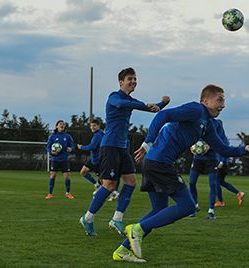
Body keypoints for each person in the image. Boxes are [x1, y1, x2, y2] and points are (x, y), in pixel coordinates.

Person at [112, 84, 249, 263]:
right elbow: (163, 114)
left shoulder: (207, 125)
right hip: (159, 163)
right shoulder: (196, 109)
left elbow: (223, 148)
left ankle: (123, 250)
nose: (223, 105)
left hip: (154, 163)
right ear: (205, 101)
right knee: (188, 206)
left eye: (224, 101)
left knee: (159, 209)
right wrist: (147, 142)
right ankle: (137, 229)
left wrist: (245, 149)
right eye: (219, 100)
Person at [79, 67, 170, 236]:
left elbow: (151, 108)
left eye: (135, 79)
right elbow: (123, 104)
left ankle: (117, 219)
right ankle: (88, 218)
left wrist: (164, 103)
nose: (133, 81)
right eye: (130, 79)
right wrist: (143, 105)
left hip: (122, 148)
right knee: (109, 186)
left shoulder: (131, 100)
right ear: (121, 82)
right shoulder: (114, 97)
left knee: (131, 182)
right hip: (110, 146)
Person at [188, 119, 226, 219]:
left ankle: (211, 211)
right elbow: (191, 136)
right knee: (191, 182)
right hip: (197, 159)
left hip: (212, 159)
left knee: (212, 184)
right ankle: (194, 206)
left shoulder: (217, 124)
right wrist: (191, 146)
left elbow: (223, 142)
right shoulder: (198, 122)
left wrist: (220, 159)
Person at [214, 120, 245, 207]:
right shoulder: (220, 137)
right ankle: (238, 193)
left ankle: (220, 202)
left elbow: (225, 151)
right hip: (222, 163)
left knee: (216, 182)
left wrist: (221, 162)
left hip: (222, 163)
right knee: (221, 182)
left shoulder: (222, 139)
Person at [45, 120, 75, 200]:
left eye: (63, 124)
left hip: (64, 159)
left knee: (67, 177)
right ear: (57, 126)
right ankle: (50, 193)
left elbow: (73, 145)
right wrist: (51, 152)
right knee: (53, 176)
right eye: (60, 124)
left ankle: (68, 193)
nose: (62, 125)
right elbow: (48, 147)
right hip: (55, 159)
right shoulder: (52, 136)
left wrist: (71, 149)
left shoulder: (67, 136)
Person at [77, 119, 104, 194]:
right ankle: (97, 185)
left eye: (94, 125)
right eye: (91, 126)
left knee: (102, 179)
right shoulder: (99, 134)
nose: (92, 127)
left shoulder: (98, 135)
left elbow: (91, 147)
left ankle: (113, 193)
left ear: (98, 126)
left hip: (97, 160)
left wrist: (81, 147)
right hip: (93, 159)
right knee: (83, 172)